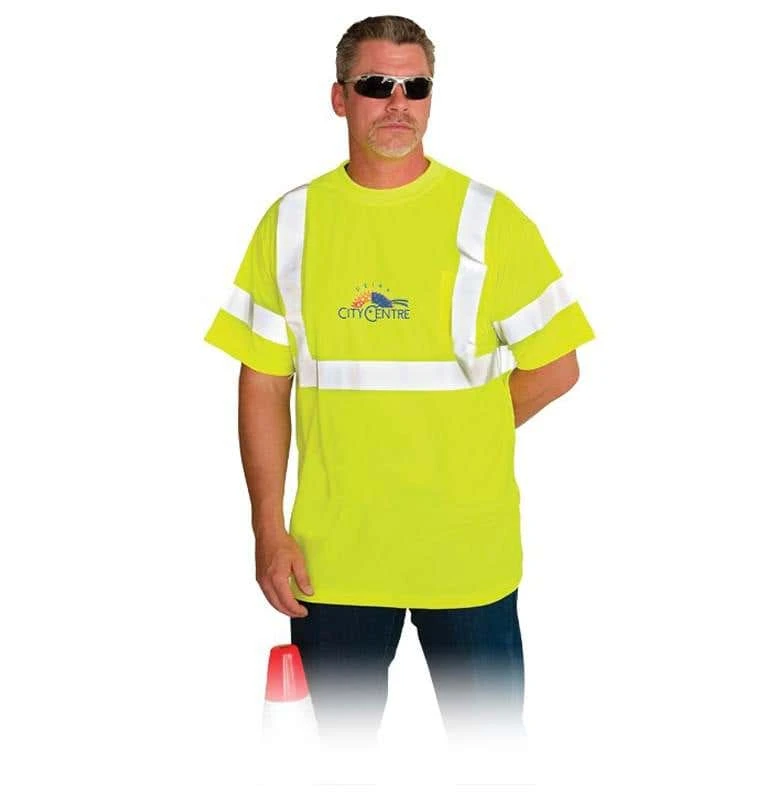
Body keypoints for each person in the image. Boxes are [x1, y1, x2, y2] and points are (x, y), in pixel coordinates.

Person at [203, 15, 596, 754]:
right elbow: (262, 385)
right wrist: (267, 529)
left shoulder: (489, 220)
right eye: (377, 84)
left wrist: (464, 429)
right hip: (333, 556)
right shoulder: (291, 224)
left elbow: (558, 366)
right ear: (339, 97)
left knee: (490, 761)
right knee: (341, 760)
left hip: (467, 554)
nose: (397, 102)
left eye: (415, 87)